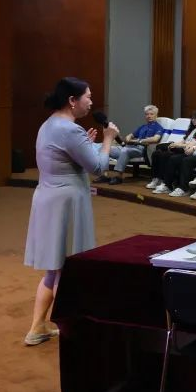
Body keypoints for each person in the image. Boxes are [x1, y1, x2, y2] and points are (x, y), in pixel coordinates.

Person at [23, 78, 120, 346]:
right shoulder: (70, 130)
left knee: (53, 269)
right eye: (88, 96)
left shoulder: (49, 124)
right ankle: (74, 337)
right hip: (66, 202)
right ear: (72, 100)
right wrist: (108, 140)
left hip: (48, 197)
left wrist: (85, 144)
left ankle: (37, 328)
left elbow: (62, 157)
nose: (91, 101)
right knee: (66, 271)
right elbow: (98, 167)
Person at [148, 109, 196, 194]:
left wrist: (176, 145)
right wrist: (175, 144)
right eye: (192, 118)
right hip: (181, 148)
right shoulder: (192, 129)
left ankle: (167, 184)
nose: (193, 120)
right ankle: (157, 179)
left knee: (170, 157)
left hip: (188, 151)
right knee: (157, 153)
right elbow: (183, 141)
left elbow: (190, 145)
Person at [104, 104, 163, 184]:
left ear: (156, 115)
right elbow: (130, 135)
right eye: (147, 114)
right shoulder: (143, 127)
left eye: (151, 114)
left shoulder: (158, 127)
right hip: (130, 146)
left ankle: (118, 176)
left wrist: (139, 141)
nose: (149, 116)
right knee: (107, 149)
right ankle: (104, 175)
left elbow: (156, 139)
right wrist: (128, 138)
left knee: (125, 151)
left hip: (142, 150)